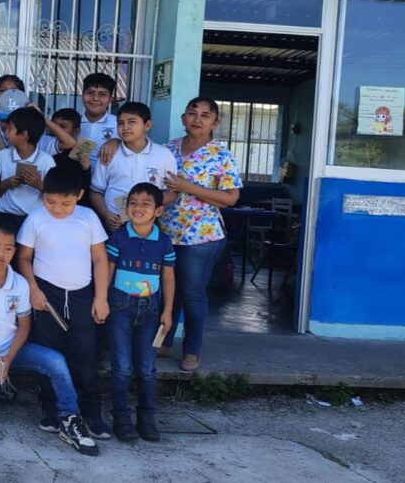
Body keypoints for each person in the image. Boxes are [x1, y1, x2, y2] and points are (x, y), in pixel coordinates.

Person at [0, 216, 98, 456]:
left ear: (15, 251)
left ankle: (70, 417)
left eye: (8, 248)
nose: (0, 254)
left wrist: (8, 357)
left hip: (13, 350)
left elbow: (24, 327)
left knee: (56, 361)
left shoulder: (19, 283)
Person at [16, 166, 112, 439]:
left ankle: (91, 413)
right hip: (48, 295)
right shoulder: (36, 218)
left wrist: (101, 297)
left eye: (66, 203)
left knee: (84, 354)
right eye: (50, 201)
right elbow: (23, 258)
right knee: (49, 355)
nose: (57, 209)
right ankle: (50, 409)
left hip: (82, 295)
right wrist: (33, 289)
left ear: (80, 195)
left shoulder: (89, 217)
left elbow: (99, 259)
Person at [160, 97, 242, 372]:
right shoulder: (167, 149)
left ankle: (192, 350)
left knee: (192, 292)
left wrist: (188, 187)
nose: (197, 119)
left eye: (205, 115)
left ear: (215, 123)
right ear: (183, 118)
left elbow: (230, 198)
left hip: (201, 237)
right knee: (167, 293)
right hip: (165, 233)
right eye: (192, 113)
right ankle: (164, 340)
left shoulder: (221, 154)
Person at [105, 182, 176, 442]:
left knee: (146, 369)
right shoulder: (119, 237)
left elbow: (168, 278)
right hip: (120, 308)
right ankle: (121, 418)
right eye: (133, 202)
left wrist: (167, 312)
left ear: (158, 211)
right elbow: (108, 270)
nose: (138, 208)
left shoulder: (164, 242)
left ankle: (147, 417)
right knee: (122, 367)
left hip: (151, 312)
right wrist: (100, 299)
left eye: (146, 204)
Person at [91, 102, 178, 232]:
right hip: (114, 224)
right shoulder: (109, 153)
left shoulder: (164, 155)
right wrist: (106, 215)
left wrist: (143, 208)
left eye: (132, 122)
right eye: (120, 123)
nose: (125, 127)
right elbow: (96, 191)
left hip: (148, 225)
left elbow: (172, 193)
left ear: (147, 125)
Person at [0, 107, 56, 231]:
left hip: (34, 219)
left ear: (23, 134)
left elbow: (55, 196)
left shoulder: (46, 160)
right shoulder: (2, 156)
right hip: (4, 216)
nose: (6, 133)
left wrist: (39, 185)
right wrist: (7, 183)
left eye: (10, 129)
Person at [78, 73, 118, 165]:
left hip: (107, 178)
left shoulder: (118, 124)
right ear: (83, 95)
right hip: (75, 177)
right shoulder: (72, 122)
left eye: (102, 94)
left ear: (110, 99)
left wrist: (117, 141)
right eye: (90, 93)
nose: (95, 98)